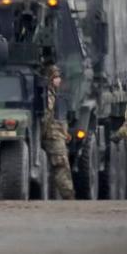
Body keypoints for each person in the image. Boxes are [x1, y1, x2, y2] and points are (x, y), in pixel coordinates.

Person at [41, 65, 75, 200]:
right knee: (61, 165)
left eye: (59, 77)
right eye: (55, 77)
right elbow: (47, 119)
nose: (59, 80)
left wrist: (63, 131)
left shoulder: (52, 93)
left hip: (53, 132)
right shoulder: (48, 95)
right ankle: (68, 196)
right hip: (51, 135)